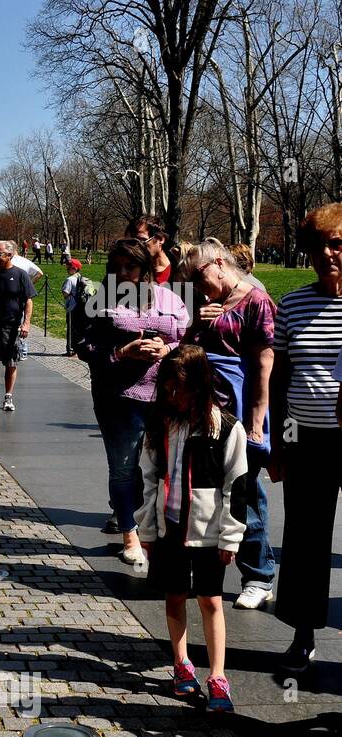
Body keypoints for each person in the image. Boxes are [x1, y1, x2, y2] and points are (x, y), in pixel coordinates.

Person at [136, 345, 248, 713]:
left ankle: (218, 674)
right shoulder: (161, 422)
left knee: (211, 600)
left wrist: (231, 536)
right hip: (170, 528)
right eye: (168, 388)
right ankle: (181, 663)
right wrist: (147, 531)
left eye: (181, 389)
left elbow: (238, 486)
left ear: (199, 386)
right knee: (174, 595)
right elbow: (148, 477)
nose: (174, 396)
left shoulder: (227, 429)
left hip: (209, 533)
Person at [77, 237, 190, 563]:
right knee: (125, 468)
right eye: (118, 267)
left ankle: (159, 533)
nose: (124, 272)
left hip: (167, 396)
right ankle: (129, 533)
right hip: (119, 398)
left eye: (131, 266)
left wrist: (166, 350)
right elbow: (84, 345)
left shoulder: (170, 298)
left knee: (165, 469)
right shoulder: (102, 299)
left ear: (144, 268)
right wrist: (120, 352)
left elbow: (185, 338)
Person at [182, 239, 277, 610]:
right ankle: (210, 571)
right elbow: (188, 353)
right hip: (209, 411)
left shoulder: (256, 301)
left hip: (240, 406)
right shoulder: (210, 305)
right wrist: (195, 325)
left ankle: (259, 575)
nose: (196, 284)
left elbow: (264, 366)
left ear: (219, 263)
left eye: (199, 275)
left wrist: (256, 425)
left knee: (246, 491)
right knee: (210, 489)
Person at [272, 202, 342, 672]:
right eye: (319, 245)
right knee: (305, 539)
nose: (328, 254)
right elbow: (278, 377)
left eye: (336, 244)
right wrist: (277, 443)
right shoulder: (292, 304)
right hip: (305, 440)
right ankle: (303, 631)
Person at [0, 240, 36, 412]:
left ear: (9, 255)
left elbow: (28, 300)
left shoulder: (20, 275)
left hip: (11, 326)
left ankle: (8, 397)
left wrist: (26, 323)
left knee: (11, 362)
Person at [130, 214, 172, 285]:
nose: (137, 246)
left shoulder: (181, 271)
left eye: (142, 240)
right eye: (134, 241)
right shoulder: (127, 268)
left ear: (161, 239)